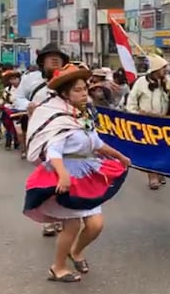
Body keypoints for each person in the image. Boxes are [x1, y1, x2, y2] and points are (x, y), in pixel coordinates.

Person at [23, 64, 131, 282]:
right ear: (65, 93)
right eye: (78, 90)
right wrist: (63, 175)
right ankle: (58, 267)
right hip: (67, 175)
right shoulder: (59, 117)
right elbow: (53, 149)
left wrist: (119, 156)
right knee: (72, 225)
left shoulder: (83, 114)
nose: (84, 93)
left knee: (95, 225)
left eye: (85, 89)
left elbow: (95, 142)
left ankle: (76, 251)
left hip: (87, 173)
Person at [16, 43, 70, 237]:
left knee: (64, 176)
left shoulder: (69, 79)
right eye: (50, 57)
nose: (55, 59)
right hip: (39, 134)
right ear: (42, 61)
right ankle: (48, 218)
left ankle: (63, 216)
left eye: (58, 57)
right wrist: (29, 105)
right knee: (47, 177)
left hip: (64, 133)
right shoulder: (30, 79)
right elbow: (18, 99)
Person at [126, 54, 170, 189]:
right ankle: (153, 176)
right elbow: (130, 105)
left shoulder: (167, 82)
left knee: (163, 150)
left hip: (165, 122)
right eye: (163, 69)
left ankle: (160, 171)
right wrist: (141, 114)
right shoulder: (141, 83)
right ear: (155, 70)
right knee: (150, 150)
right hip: (146, 123)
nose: (166, 72)